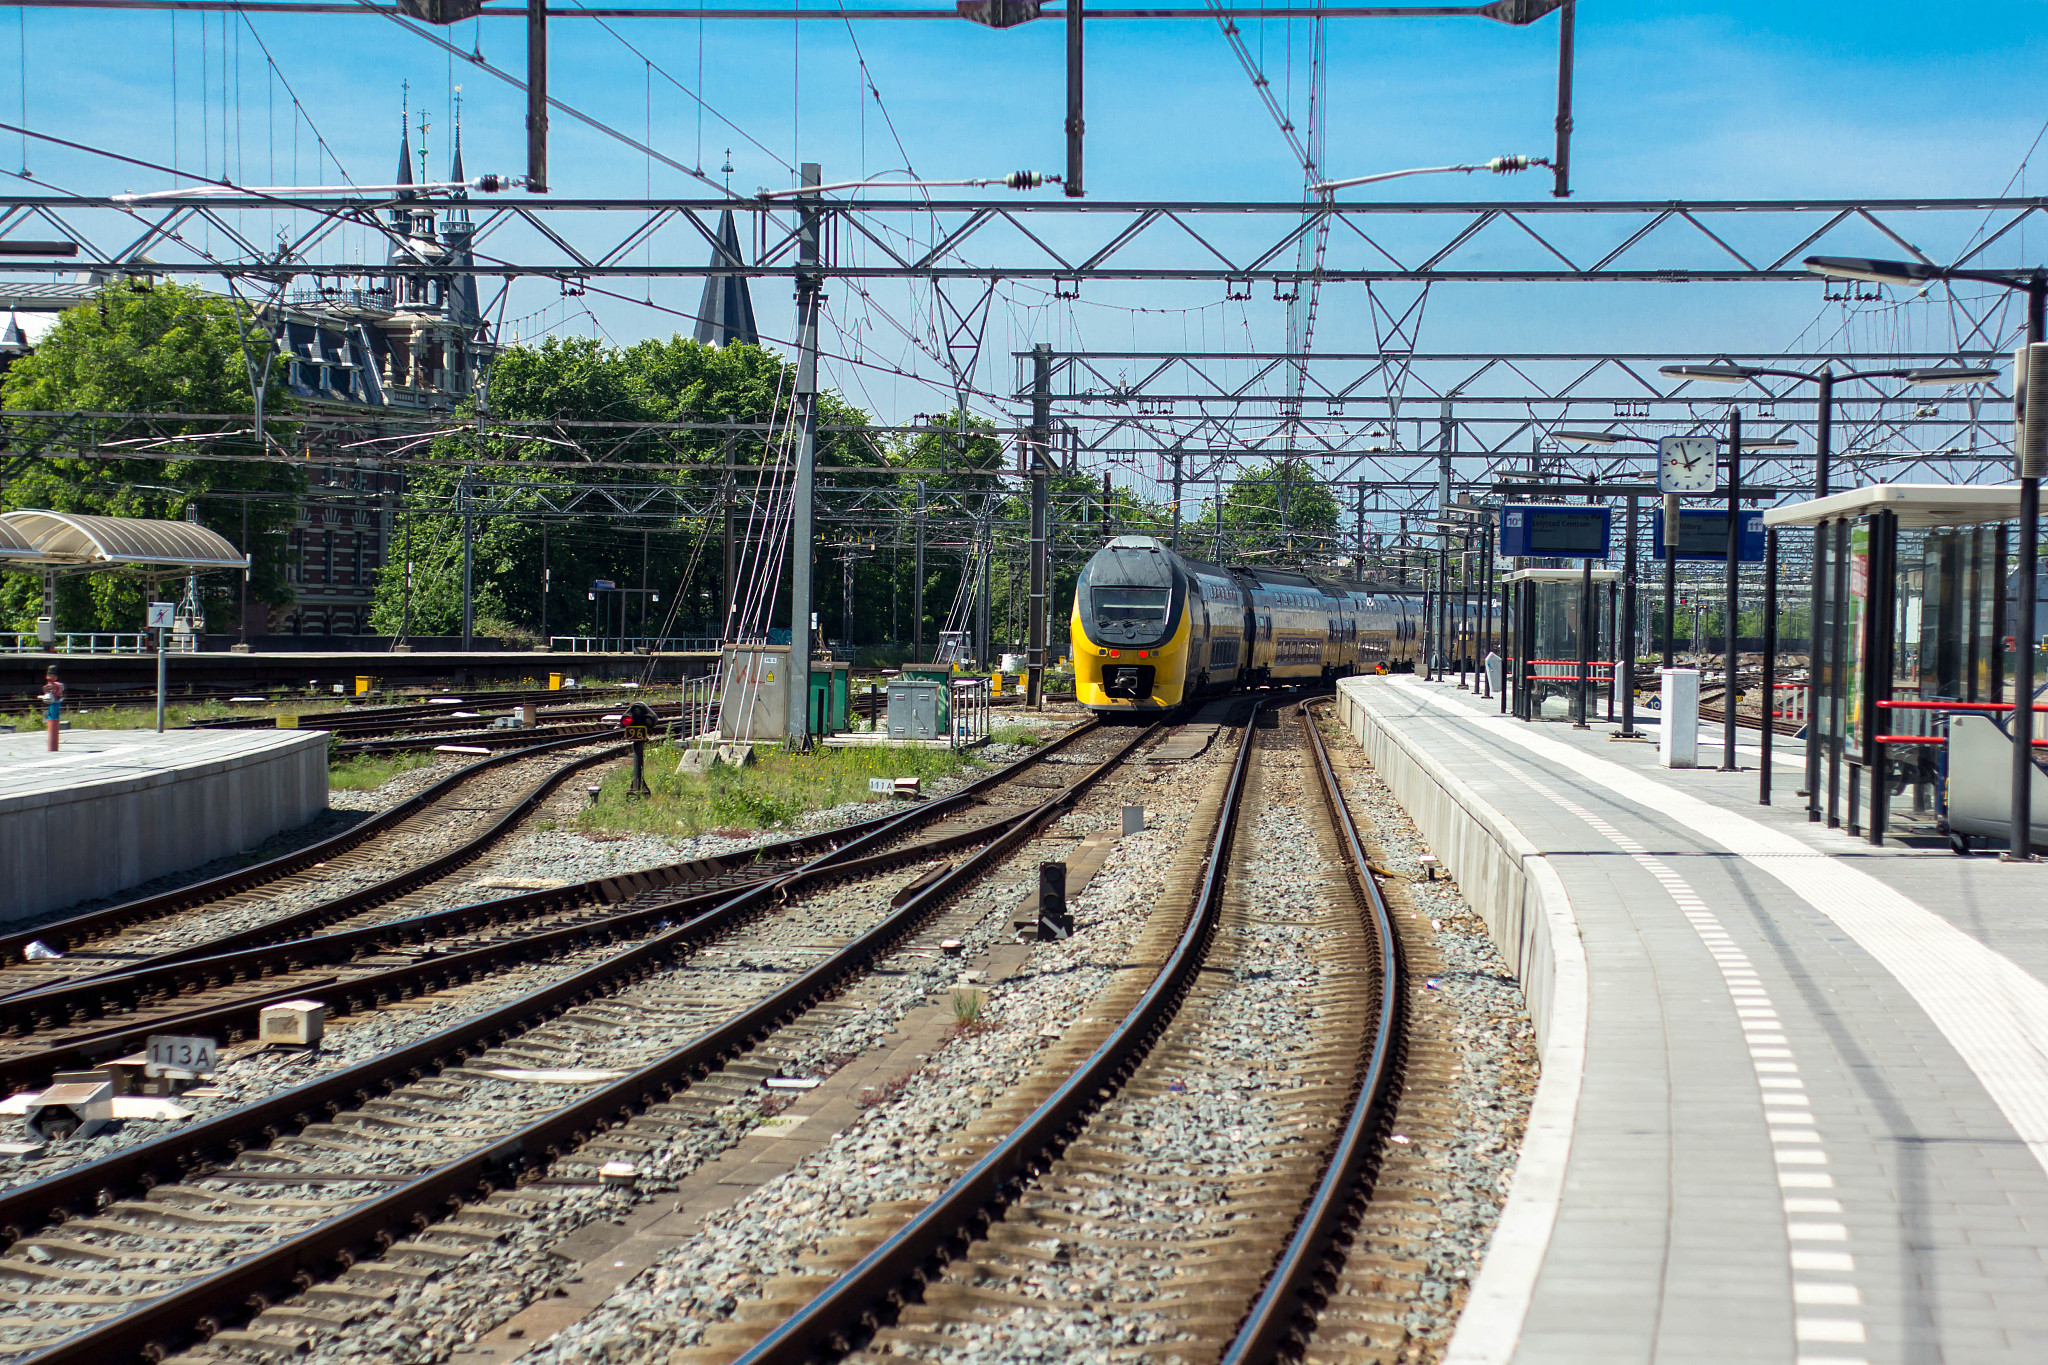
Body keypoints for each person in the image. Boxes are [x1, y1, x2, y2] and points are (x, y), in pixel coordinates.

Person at [39, 664, 63, 752]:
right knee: (52, 718)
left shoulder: (56, 685)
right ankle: (52, 745)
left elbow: (56, 690)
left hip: (54, 702)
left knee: (52, 718)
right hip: (54, 702)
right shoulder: (57, 685)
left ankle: (52, 746)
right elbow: (58, 691)